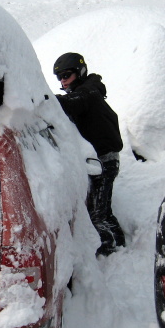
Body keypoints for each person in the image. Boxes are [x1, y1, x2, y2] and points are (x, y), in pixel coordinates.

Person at [54, 52, 125, 257]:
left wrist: (44, 98)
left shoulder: (89, 92)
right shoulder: (86, 93)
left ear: (80, 72)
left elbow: (73, 103)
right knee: (96, 209)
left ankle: (116, 249)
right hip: (96, 160)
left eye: (66, 75)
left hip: (105, 161)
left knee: (99, 212)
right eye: (59, 77)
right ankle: (112, 245)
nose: (63, 81)